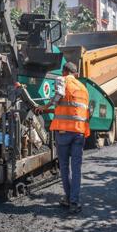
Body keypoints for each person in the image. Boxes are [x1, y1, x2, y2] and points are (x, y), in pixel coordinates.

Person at [36, 62, 90, 214]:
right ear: (76, 73)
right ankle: (74, 202)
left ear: (64, 71)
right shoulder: (84, 89)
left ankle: (68, 198)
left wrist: (44, 108)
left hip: (64, 133)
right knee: (76, 168)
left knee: (65, 168)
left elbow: (58, 97)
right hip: (79, 133)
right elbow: (73, 108)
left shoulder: (62, 79)